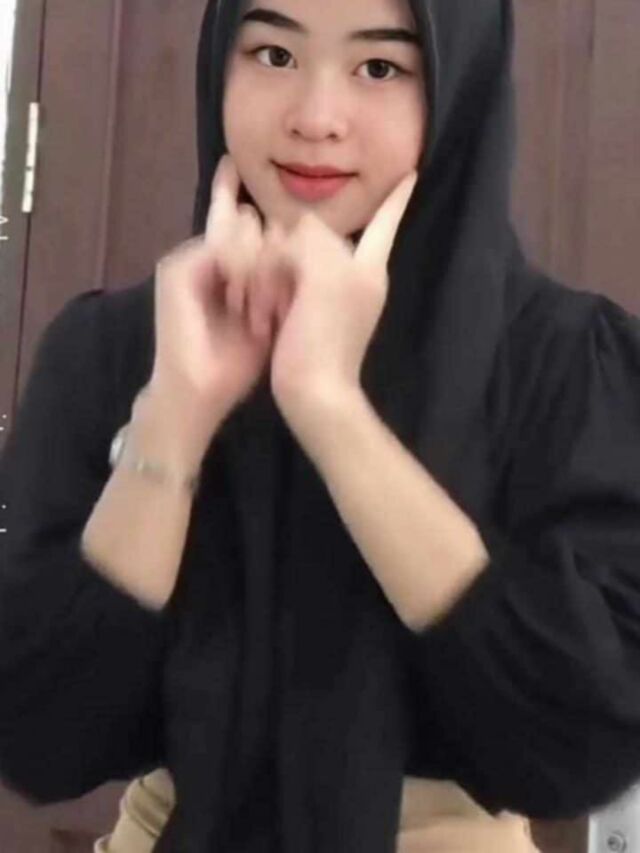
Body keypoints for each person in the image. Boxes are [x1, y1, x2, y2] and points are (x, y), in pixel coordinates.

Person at [1, 0, 639, 851]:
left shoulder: (561, 362)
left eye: (380, 67)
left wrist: (331, 407)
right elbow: (38, 736)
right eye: (273, 54)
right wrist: (175, 417)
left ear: (459, 88)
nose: (315, 117)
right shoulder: (113, 349)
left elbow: (581, 743)